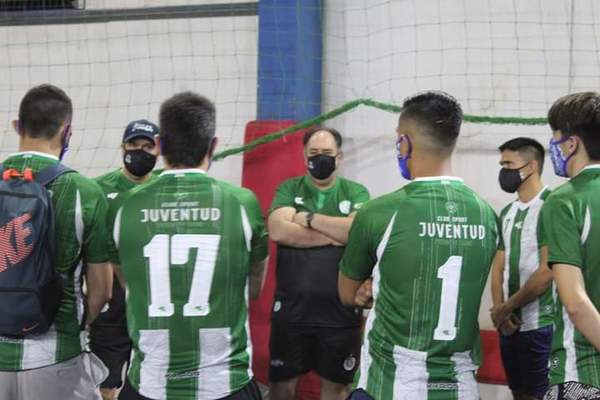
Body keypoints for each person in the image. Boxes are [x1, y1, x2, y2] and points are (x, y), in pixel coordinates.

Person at [338, 91, 499, 400]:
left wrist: (382, 286)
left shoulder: (380, 212)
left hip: (389, 385)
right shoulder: (487, 215)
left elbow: (347, 294)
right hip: (460, 388)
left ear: (404, 143)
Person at [110, 92, 268, 400]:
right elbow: (254, 287)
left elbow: (128, 281)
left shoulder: (124, 206)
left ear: (160, 146)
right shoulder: (242, 203)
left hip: (150, 384)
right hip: (224, 383)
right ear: (213, 146)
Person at [0, 84, 112, 399]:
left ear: (17, 127)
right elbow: (102, 291)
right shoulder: (85, 192)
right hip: (56, 354)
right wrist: (76, 325)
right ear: (67, 132)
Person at [267, 126, 370, 400]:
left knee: (336, 389)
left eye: (326, 153)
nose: (320, 158)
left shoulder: (356, 192)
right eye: (314, 153)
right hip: (292, 311)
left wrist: (309, 220)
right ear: (304, 156)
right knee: (281, 388)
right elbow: (278, 230)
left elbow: (355, 232)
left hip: (340, 312)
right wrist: (335, 234)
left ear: (339, 157)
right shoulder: (289, 188)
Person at [91, 119, 160, 400]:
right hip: (113, 294)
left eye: (147, 146)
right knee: (107, 381)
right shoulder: (98, 189)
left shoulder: (166, 190)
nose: (140, 151)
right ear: (122, 147)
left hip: (154, 292)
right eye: (134, 145)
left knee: (155, 375)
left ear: (159, 151)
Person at [541, 92, 600, 398]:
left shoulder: (564, 200)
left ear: (571, 143)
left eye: (555, 138)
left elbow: (575, 303)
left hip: (583, 370)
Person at [489, 138, 554, 400]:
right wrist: (500, 313)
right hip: (509, 326)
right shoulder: (506, 212)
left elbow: (546, 273)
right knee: (518, 393)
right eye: (502, 164)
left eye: (509, 164)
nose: (504, 171)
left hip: (542, 325)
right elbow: (498, 268)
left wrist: (506, 307)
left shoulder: (553, 205)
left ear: (531, 166)